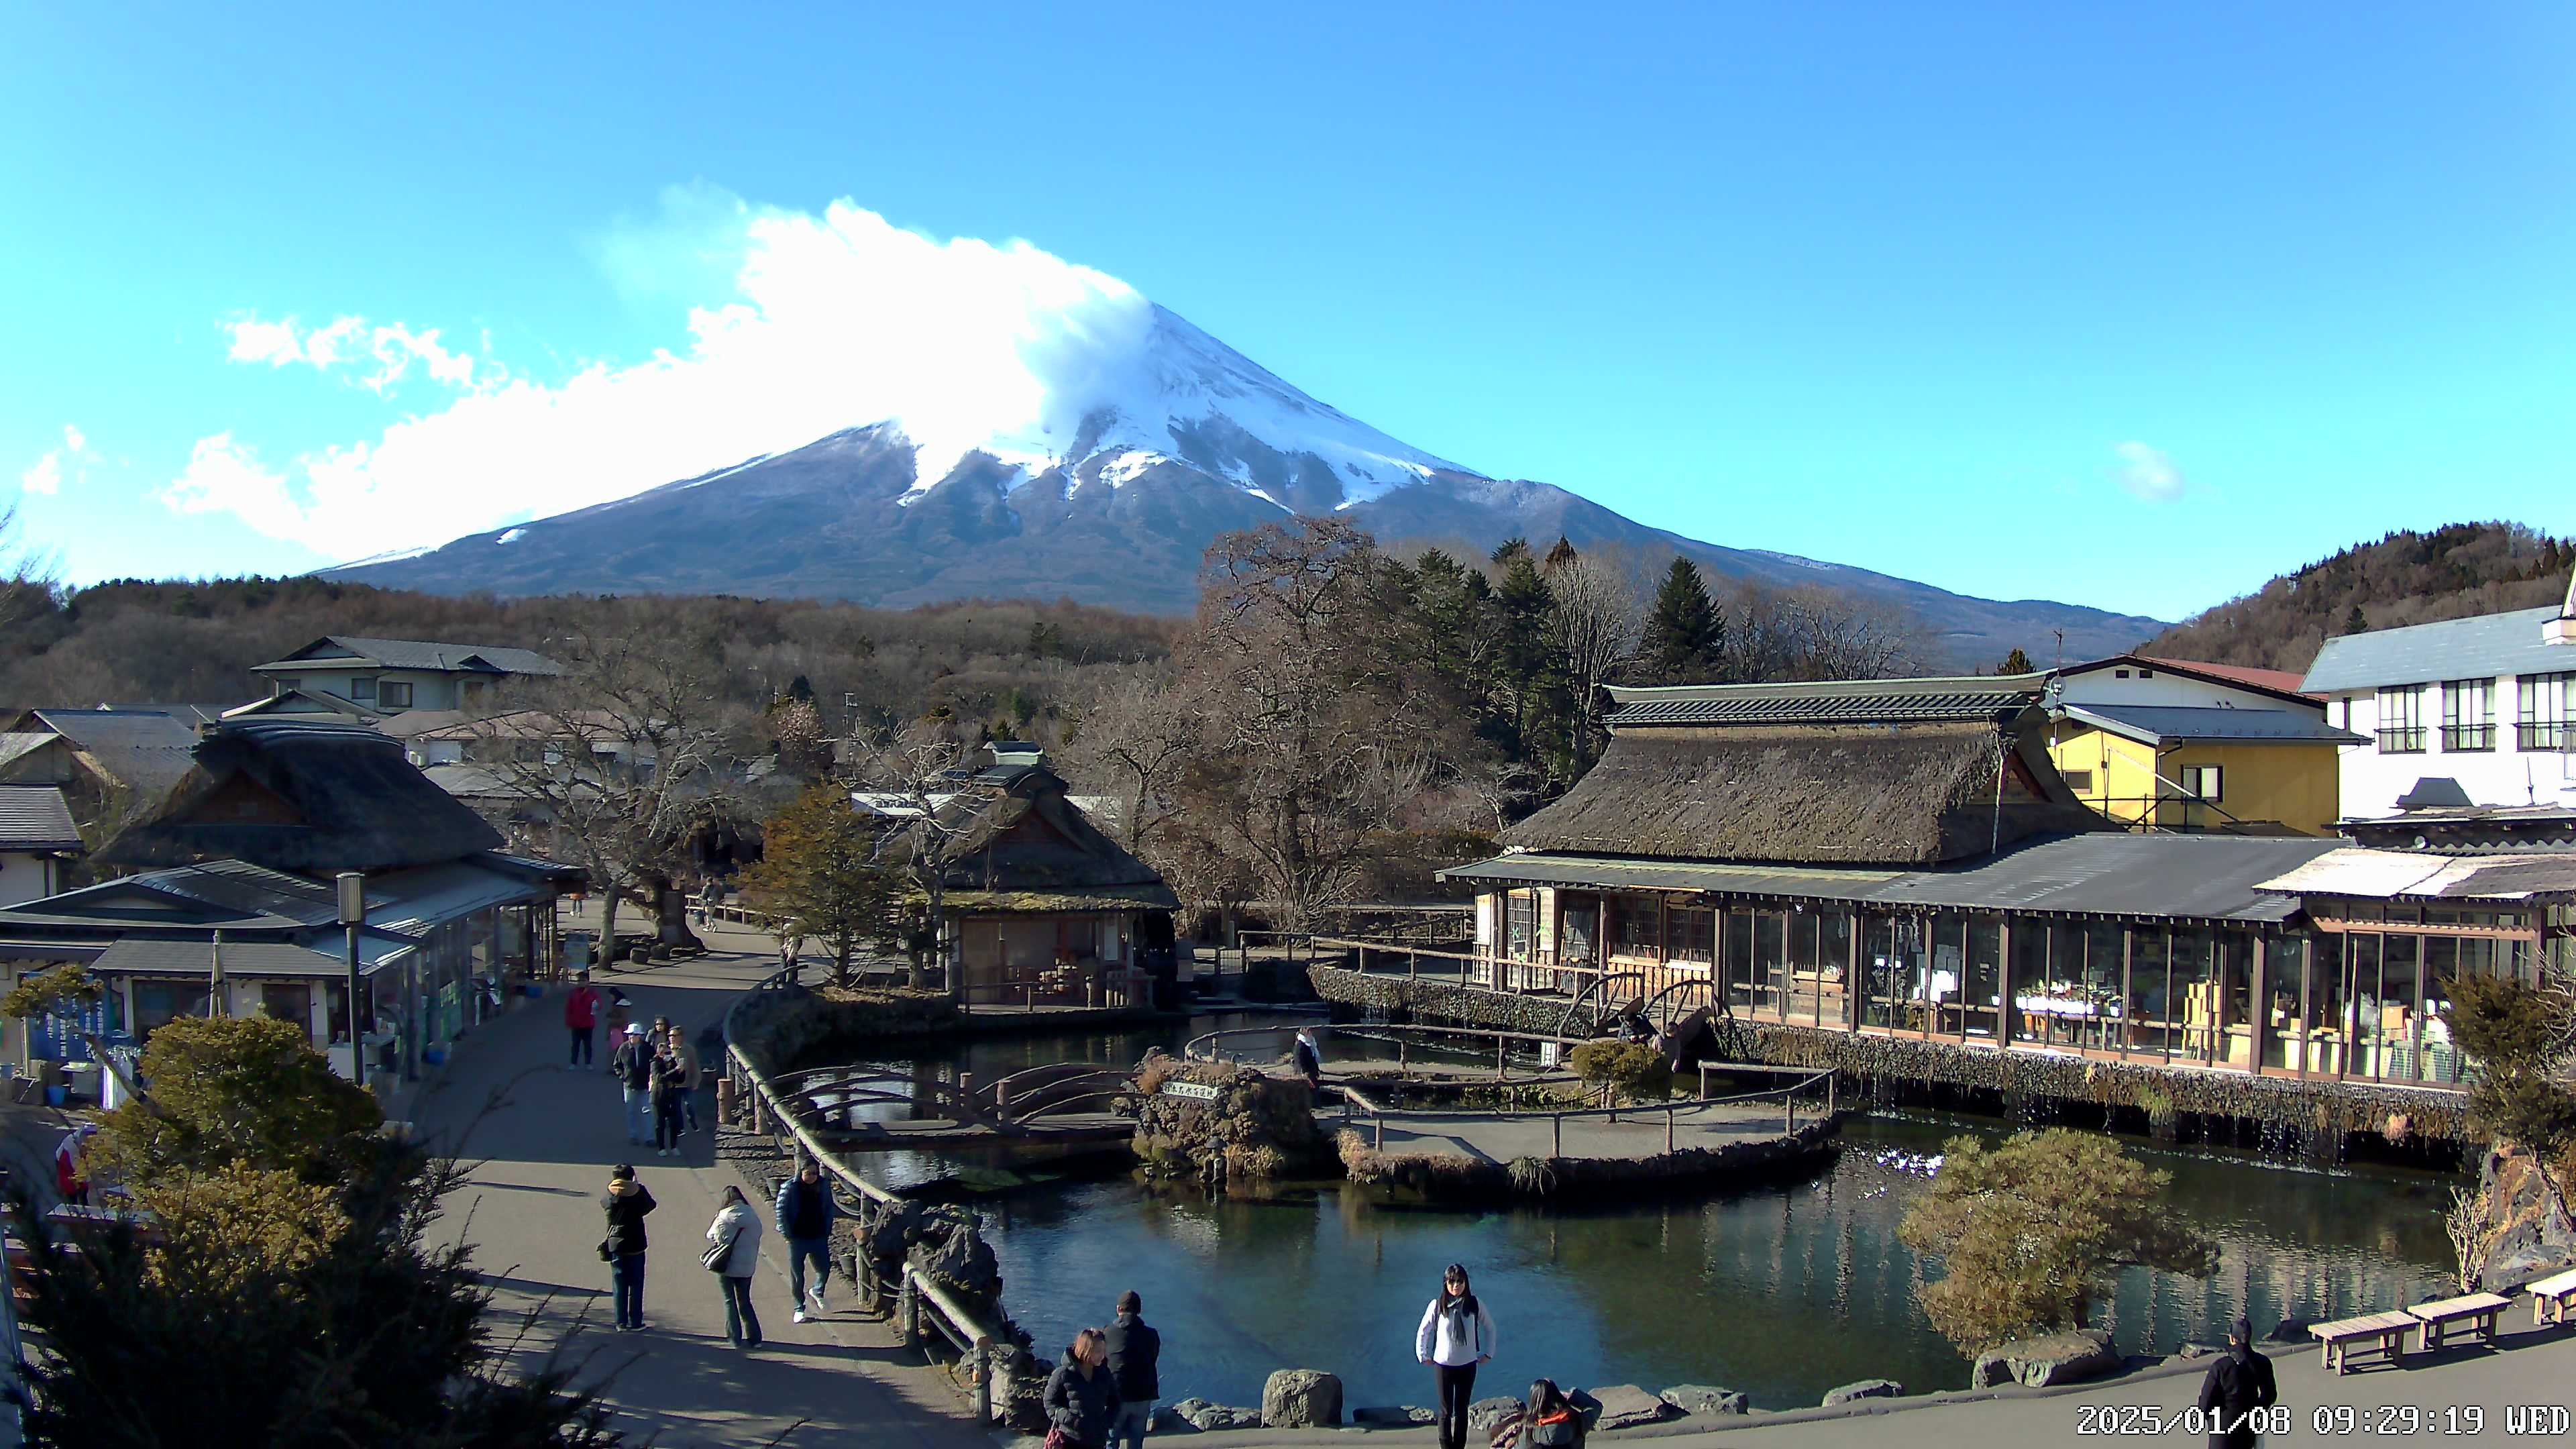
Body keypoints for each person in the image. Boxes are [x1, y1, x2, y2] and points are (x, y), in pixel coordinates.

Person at [1416, 1263, 1496, 1449]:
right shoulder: (1437, 1306)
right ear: (1445, 1283)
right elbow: (1424, 1331)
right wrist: (1423, 1354)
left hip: (1467, 1365)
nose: (1456, 1286)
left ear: (1466, 1284)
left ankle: (1460, 1446)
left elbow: (1490, 1328)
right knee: (1445, 1411)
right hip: (1443, 1366)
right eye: (1451, 1282)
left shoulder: (1474, 1304)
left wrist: (1489, 1354)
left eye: (1460, 1282)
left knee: (1462, 1410)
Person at [2196, 1315, 2279, 1449]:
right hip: (2248, 1427)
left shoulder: (2220, 1366)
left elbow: (2204, 1404)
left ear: (2232, 1339)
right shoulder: (2263, 1363)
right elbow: (2270, 1395)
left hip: (2222, 1429)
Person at [774, 1159, 841, 1323]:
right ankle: (799, 1308)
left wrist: (827, 1229)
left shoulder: (823, 1186)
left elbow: (828, 1208)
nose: (813, 1177)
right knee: (797, 1275)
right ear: (801, 1172)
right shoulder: (790, 1188)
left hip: (818, 1235)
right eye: (809, 1173)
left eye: (815, 1173)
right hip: (797, 1238)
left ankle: (817, 1290)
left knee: (825, 1268)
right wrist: (786, 1233)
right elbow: (781, 1211)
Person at [1042, 1326, 1122, 1449]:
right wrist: (1069, 1419)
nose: (1102, 1355)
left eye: (1103, 1351)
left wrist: (1106, 1422)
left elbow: (1115, 1402)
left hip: (1097, 1439)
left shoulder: (1104, 1374)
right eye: (1098, 1351)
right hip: (1070, 1439)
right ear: (1085, 1350)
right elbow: (1050, 1402)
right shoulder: (1064, 1374)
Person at [706, 1183, 764, 1349]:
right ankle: (755, 1338)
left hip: (727, 1265)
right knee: (745, 1301)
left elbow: (710, 1236)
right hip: (747, 1266)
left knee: (729, 1300)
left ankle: (734, 1337)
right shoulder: (752, 1216)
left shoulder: (723, 1217)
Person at [602, 1162, 656, 1332]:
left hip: (616, 1244)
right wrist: (638, 1186)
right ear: (632, 1176)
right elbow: (651, 1205)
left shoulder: (610, 1193)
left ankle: (620, 1322)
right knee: (637, 1284)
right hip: (636, 1243)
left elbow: (604, 1204)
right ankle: (636, 1321)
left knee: (619, 1284)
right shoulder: (638, 1192)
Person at [1103, 1290, 1160, 1449]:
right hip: (1144, 1394)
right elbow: (1154, 1357)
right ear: (1139, 1311)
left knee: (1111, 1441)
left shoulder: (1108, 1333)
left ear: (1118, 1309)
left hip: (1117, 1394)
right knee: (1136, 1442)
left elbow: (1102, 1361)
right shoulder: (1151, 1334)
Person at [610, 1023, 655, 1144]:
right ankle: (633, 1136)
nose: (632, 1037)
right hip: (629, 1085)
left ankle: (649, 1137)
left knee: (647, 1111)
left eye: (634, 1035)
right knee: (631, 1112)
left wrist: (653, 1077)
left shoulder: (648, 1048)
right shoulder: (623, 1048)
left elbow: (654, 1063)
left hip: (645, 1085)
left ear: (640, 1036)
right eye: (630, 1035)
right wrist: (623, 1076)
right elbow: (617, 1065)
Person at [649, 1029, 688, 1156]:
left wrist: (681, 1071)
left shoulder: (672, 1062)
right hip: (659, 1097)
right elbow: (659, 1078)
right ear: (660, 1053)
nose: (668, 1055)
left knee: (673, 1123)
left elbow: (679, 1080)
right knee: (659, 1124)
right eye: (666, 1053)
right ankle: (661, 1147)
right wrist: (674, 1071)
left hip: (672, 1095)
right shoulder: (655, 1062)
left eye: (669, 1053)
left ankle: (674, 1146)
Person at [1519, 1380, 1582, 1449]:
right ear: (1555, 1397)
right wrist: (1571, 1397)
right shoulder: (1575, 1422)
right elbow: (1594, 1405)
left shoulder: (1528, 1430)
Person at [668, 1023, 704, 1132]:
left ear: (681, 1037)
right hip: (674, 1084)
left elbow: (695, 1066)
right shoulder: (666, 1049)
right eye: (670, 1036)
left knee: (690, 1105)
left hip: (687, 1083)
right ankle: (680, 1128)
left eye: (674, 1036)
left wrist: (696, 1081)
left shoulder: (689, 1049)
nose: (671, 1038)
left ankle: (692, 1121)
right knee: (676, 1107)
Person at [564, 971, 602, 1069]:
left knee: (587, 1045)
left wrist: (596, 1005)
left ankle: (588, 1062)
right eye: (579, 981)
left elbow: (598, 1005)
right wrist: (569, 1021)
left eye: (583, 980)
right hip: (576, 1024)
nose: (581, 983)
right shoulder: (573, 994)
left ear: (588, 981)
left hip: (588, 1023)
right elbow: (569, 1008)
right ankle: (573, 1062)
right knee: (575, 1045)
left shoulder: (592, 993)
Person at [54, 1123, 98, 1207]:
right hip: (65, 1161)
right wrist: (89, 1180)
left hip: (78, 1160)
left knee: (84, 1188)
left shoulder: (89, 1142)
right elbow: (77, 1167)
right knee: (70, 1185)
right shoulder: (72, 1144)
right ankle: (72, 1206)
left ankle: (84, 1204)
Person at [1293, 1028, 1323, 1092]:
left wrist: (1316, 1070)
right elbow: (1299, 1060)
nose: (1311, 1034)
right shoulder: (1300, 1045)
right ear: (1306, 1033)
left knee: (1315, 1089)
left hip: (1312, 1072)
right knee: (1310, 1091)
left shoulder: (1310, 1043)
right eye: (1310, 1033)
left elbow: (1313, 1058)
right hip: (1306, 1073)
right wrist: (1304, 1073)